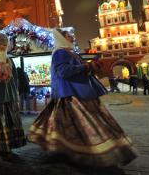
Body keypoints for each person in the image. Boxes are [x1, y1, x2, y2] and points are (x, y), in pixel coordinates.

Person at [28, 28, 137, 167]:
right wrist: (85, 67)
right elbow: (63, 72)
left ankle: (63, 149)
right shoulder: (60, 53)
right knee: (82, 124)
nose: (72, 37)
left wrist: (91, 67)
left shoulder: (70, 52)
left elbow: (79, 68)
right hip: (71, 95)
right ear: (61, 38)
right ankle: (87, 149)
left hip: (79, 92)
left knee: (66, 125)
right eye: (68, 36)